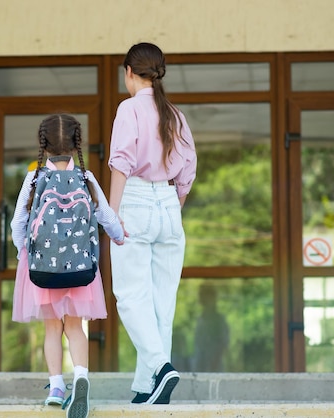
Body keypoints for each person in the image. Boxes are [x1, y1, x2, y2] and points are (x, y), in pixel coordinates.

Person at [11, 113, 126, 418]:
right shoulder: (86, 178)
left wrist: (22, 251)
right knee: (75, 327)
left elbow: (18, 222)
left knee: (52, 328)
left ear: (43, 145)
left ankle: (56, 387)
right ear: (77, 144)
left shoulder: (34, 178)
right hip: (79, 269)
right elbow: (106, 217)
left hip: (43, 268)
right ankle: (81, 377)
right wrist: (119, 237)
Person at [108, 42, 197, 404]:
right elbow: (188, 170)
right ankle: (149, 388)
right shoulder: (174, 113)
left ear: (129, 72)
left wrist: (112, 216)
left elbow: (121, 163)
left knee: (130, 296)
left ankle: (160, 367)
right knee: (162, 301)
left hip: (137, 200)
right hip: (168, 204)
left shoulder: (128, 109)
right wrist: (171, 206)